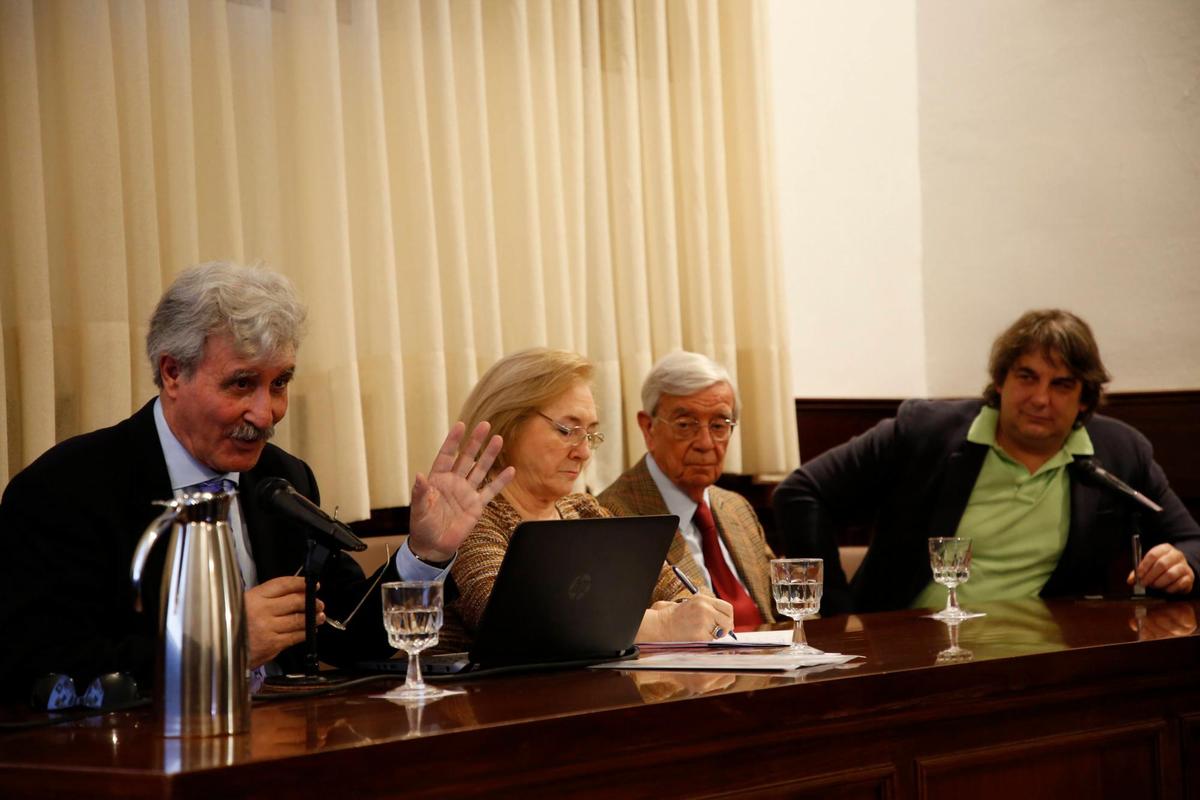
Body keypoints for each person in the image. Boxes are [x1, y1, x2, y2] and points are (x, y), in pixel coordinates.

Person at [0, 261, 513, 700]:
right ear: (173, 373)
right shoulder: (66, 489)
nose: (266, 414)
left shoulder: (281, 478)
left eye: (280, 383)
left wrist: (424, 553)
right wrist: (213, 643)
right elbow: (37, 666)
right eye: (242, 383)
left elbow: (349, 638)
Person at [773, 309, 1200, 616]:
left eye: (1061, 384)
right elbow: (800, 490)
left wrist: (1182, 564)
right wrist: (837, 614)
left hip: (1048, 661)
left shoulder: (1120, 452)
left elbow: (1191, 542)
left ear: (1084, 399)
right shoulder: (925, 431)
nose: (1039, 398)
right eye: (1026, 376)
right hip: (906, 653)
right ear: (1000, 381)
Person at [445, 348, 733, 648]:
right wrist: (660, 624)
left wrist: (693, 611)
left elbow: (675, 587)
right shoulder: (467, 517)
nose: (582, 453)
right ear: (507, 424)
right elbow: (513, 622)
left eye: (590, 435)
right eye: (567, 430)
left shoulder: (585, 510)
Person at [597, 351, 776, 631]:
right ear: (648, 428)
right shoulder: (612, 516)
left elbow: (786, 611)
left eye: (718, 426)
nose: (705, 442)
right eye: (685, 425)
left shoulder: (736, 507)